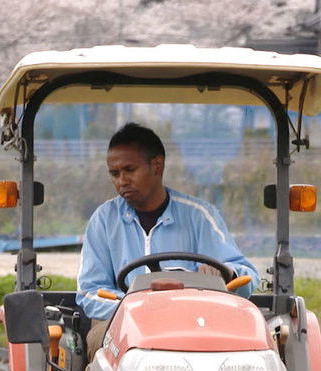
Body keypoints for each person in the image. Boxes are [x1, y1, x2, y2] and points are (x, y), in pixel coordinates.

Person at [77, 123, 259, 354]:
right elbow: (88, 292)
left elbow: (247, 277)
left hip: (194, 322)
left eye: (129, 170)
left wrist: (226, 273)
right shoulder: (103, 220)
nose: (122, 180)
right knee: (99, 344)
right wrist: (132, 308)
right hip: (120, 323)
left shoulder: (199, 216)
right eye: (115, 173)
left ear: (157, 165)